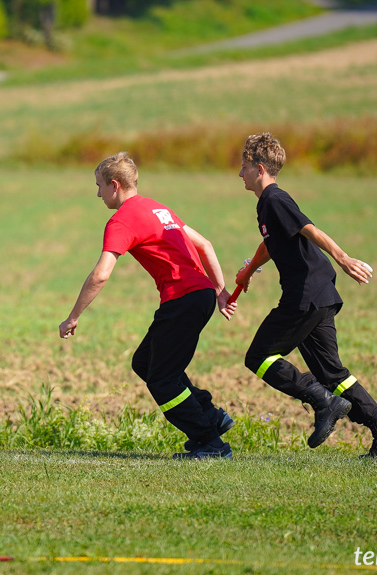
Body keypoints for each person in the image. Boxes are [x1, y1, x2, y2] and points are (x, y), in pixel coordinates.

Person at [234, 132, 377, 459]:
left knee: (258, 357)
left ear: (259, 168)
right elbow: (271, 242)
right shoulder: (268, 205)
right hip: (320, 293)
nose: (239, 173)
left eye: (243, 166)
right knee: (333, 374)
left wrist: (343, 258)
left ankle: (322, 401)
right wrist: (247, 272)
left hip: (305, 296)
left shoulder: (274, 199)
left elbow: (308, 229)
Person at [59, 152, 238, 459]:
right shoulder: (159, 208)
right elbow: (205, 244)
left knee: (162, 379)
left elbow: (101, 275)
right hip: (199, 295)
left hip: (183, 299)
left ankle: (210, 442)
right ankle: (211, 417)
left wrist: (73, 316)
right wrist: (219, 290)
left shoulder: (120, 220)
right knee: (145, 362)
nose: (97, 193)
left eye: (99, 186)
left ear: (115, 186)